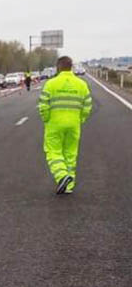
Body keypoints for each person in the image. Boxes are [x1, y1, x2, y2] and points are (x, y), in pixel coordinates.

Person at [38, 56, 92, 194]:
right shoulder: (81, 84)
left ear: (58, 67)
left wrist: (46, 119)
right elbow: (87, 105)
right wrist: (81, 119)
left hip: (54, 124)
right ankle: (68, 186)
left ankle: (62, 176)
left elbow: (43, 105)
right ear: (71, 66)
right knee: (70, 154)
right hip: (74, 124)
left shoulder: (51, 84)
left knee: (53, 152)